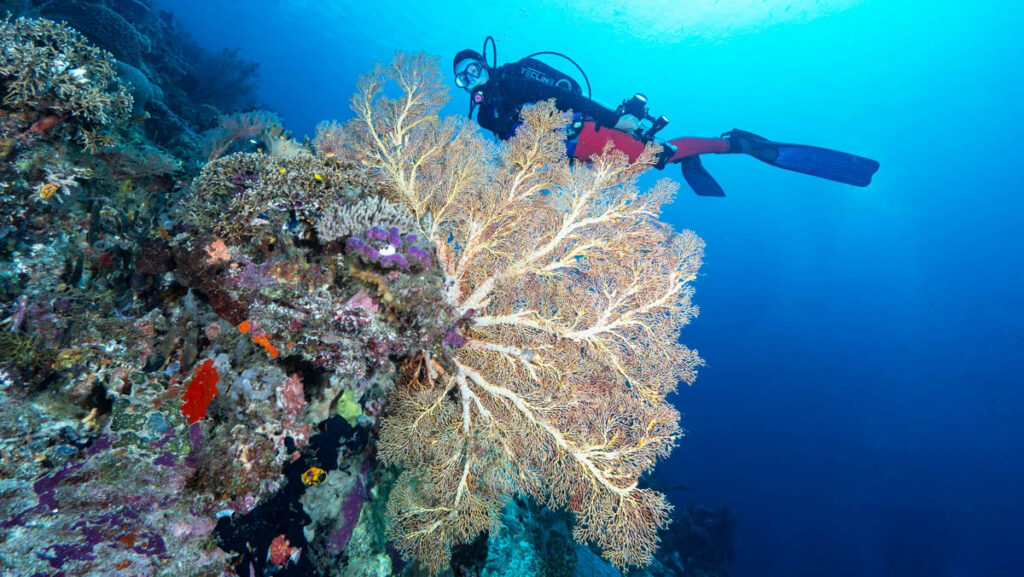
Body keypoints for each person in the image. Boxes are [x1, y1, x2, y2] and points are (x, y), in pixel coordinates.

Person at [453, 40, 879, 196]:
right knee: (649, 164)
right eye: (461, 78)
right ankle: (692, 155)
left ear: (486, 63)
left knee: (657, 156)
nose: (469, 80)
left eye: (473, 69)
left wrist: (614, 119)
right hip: (566, 159)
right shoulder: (484, 116)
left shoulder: (514, 77)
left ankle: (739, 144)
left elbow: (567, 96)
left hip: (582, 134)